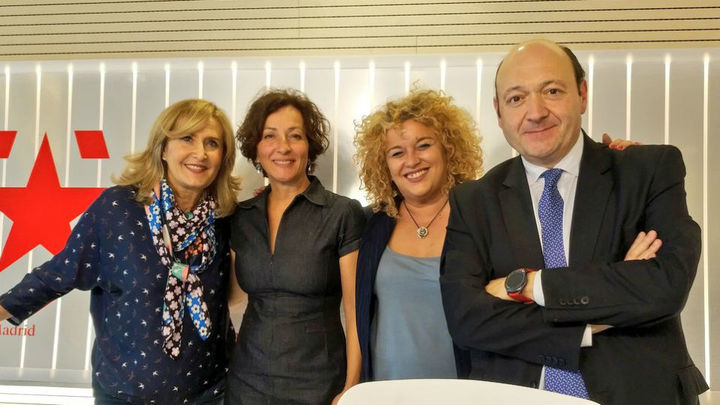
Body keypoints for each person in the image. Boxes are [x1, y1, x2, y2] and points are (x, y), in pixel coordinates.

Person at [440, 39, 708, 405]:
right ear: (499, 112)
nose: (535, 112)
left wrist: (529, 285)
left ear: (582, 94)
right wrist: (596, 318)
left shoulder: (647, 170)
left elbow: (665, 285)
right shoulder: (474, 200)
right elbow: (467, 320)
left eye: (552, 91)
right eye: (516, 98)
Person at [0, 99, 241, 404]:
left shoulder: (226, 220)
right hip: (123, 394)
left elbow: (241, 297)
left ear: (223, 157)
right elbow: (58, 273)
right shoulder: (118, 209)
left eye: (212, 143)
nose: (201, 153)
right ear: (163, 148)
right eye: (187, 138)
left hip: (208, 394)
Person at [227, 89, 365, 405]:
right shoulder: (240, 217)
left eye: (295, 136)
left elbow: (355, 311)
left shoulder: (341, 213)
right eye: (270, 136)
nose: (283, 147)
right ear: (256, 148)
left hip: (320, 386)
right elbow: (229, 297)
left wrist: (351, 387)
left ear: (309, 146)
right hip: (246, 384)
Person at [353, 89, 482, 381]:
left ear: (448, 148)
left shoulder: (478, 218)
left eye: (423, 145)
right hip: (385, 393)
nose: (411, 161)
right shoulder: (371, 224)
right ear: (384, 165)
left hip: (465, 392)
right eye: (397, 153)